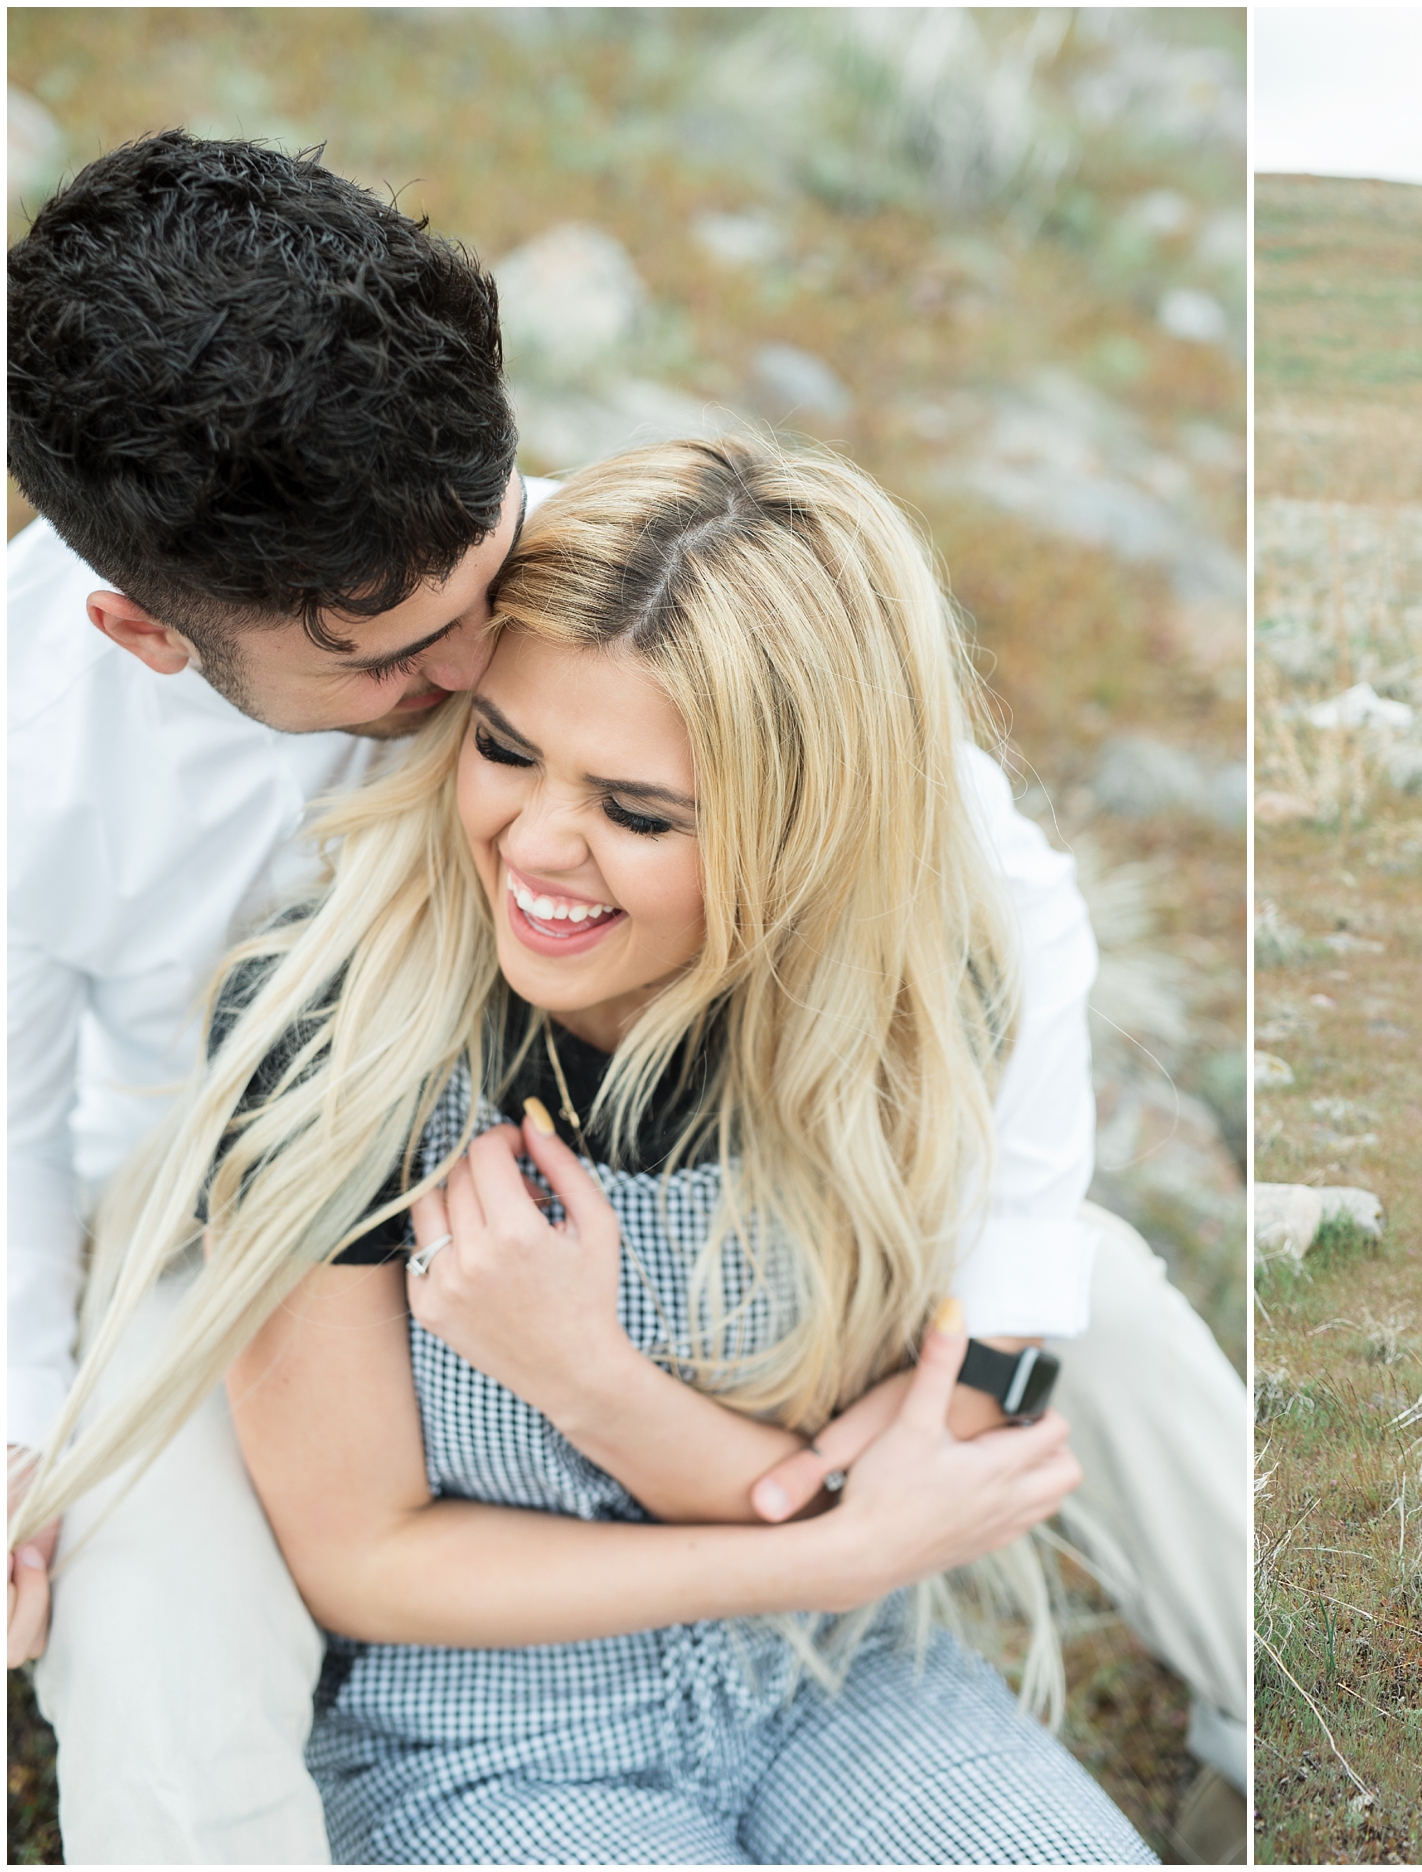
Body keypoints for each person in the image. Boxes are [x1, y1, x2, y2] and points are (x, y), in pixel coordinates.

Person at [7, 131, 1245, 1860]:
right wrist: (15, 1407)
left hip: (658, 1135)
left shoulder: (570, 586)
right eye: (405, 673)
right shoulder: (45, 758)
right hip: (224, 1189)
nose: (465, 675)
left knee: (1083, 1288)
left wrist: (975, 1348)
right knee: (140, 1561)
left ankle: (1270, 1720)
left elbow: (984, 874)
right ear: (147, 630)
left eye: (483, 586)